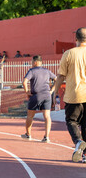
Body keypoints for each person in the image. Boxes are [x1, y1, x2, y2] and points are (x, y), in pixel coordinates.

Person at [53, 27, 86, 163]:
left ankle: (78, 142)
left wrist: (55, 93)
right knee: (85, 125)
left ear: (76, 39)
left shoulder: (69, 53)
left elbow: (61, 76)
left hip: (74, 95)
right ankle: (84, 154)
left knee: (71, 121)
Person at [21, 55, 56, 142]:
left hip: (36, 95)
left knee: (30, 115)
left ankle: (28, 134)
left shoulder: (32, 71)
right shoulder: (47, 71)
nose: (31, 64)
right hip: (47, 95)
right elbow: (57, 79)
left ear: (35, 62)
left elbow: (24, 82)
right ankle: (46, 137)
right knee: (47, 116)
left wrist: (27, 92)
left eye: (32, 62)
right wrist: (52, 90)